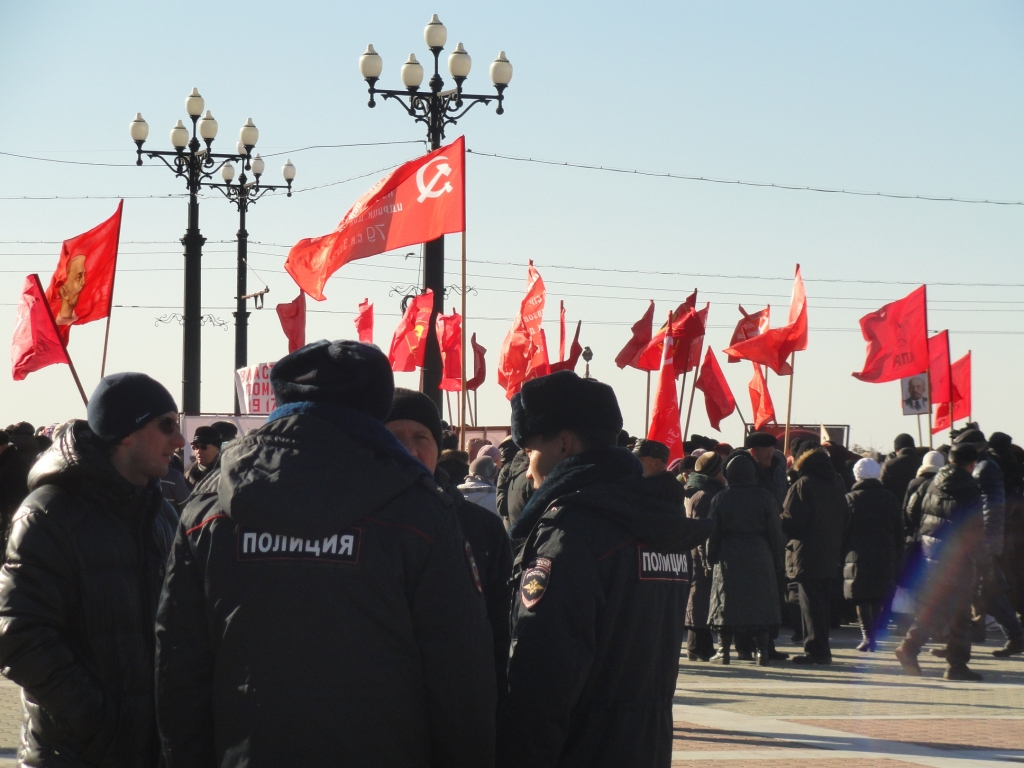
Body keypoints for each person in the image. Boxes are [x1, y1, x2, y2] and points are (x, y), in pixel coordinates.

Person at [156, 342, 496, 767]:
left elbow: (177, 670)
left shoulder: (208, 506)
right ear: (377, 408)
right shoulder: (418, 511)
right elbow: (459, 675)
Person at [498, 371, 712, 767]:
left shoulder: (574, 530)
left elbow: (543, 674)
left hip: (577, 748)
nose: (528, 470)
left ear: (563, 444)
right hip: (644, 745)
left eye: (529, 452)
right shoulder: (655, 522)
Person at [0, 372, 182, 766]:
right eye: (167, 425)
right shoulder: (48, 514)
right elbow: (20, 635)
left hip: (149, 751)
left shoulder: (162, 514)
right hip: (74, 754)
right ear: (125, 432)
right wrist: (98, 720)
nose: (180, 440)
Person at [384, 388, 512, 704]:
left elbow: (500, 630)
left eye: (420, 437)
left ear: (437, 448)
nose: (409, 450)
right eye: (396, 437)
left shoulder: (481, 528)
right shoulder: (358, 524)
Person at [895, 443, 985, 680]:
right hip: (958, 560)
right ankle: (955, 665)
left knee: (937, 607)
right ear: (971, 464)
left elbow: (917, 517)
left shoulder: (933, 484)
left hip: (931, 556)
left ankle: (911, 648)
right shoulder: (969, 490)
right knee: (961, 613)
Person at [705, 451, 785, 666]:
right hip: (760, 553)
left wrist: (709, 558)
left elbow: (712, 531)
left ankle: (724, 651)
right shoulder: (765, 497)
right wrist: (778, 559)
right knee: (761, 602)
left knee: (725, 602)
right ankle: (762, 652)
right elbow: (776, 533)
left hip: (728, 554)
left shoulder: (721, 497)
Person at [954, 429, 1024, 656]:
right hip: (985, 539)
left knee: (990, 590)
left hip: (984, 540)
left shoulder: (985, 469)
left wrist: (986, 541)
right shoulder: (985, 467)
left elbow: (991, 508)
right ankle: (1014, 636)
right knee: (990, 591)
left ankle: (1013, 636)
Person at [781, 446, 850, 664]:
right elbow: (845, 517)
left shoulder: (802, 485)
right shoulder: (836, 484)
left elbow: (792, 521)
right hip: (829, 552)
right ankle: (821, 647)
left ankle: (815, 650)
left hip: (805, 553)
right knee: (821, 603)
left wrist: (777, 518)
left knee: (810, 604)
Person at [843, 458, 904, 651]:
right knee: (878, 594)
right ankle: (874, 636)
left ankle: (867, 636)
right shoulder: (889, 498)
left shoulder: (850, 499)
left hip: (857, 552)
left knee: (861, 596)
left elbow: (844, 529)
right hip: (884, 550)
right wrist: (897, 549)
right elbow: (899, 528)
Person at [684, 451, 725, 661]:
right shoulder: (705, 495)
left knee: (701, 599)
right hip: (699, 557)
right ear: (716, 471)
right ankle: (697, 646)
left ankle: (701, 645)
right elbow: (701, 532)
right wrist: (706, 561)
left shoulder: (702, 492)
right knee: (699, 598)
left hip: (698, 556)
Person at [0, 430, 30, 549]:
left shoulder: (13, 462)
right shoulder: (8, 459)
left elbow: (15, 492)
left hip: (10, 513)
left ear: (3, 446)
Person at [746, 431, 788, 506]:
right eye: (765, 451)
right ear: (753, 452)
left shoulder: (779, 467)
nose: (770, 455)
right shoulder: (745, 473)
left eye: (771, 450)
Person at [880, 434, 922, 505]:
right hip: (917, 506)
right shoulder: (922, 463)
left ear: (897, 450)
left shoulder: (889, 465)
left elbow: (882, 488)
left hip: (895, 506)